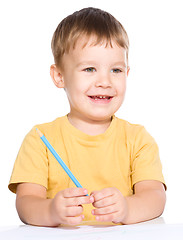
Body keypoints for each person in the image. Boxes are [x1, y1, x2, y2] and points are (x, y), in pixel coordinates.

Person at [8, 7, 166, 227]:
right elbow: (25, 203)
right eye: (90, 69)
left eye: (116, 70)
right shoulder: (40, 139)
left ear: (127, 73)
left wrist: (127, 208)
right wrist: (51, 211)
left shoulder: (138, 139)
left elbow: (155, 197)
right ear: (59, 76)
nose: (105, 81)